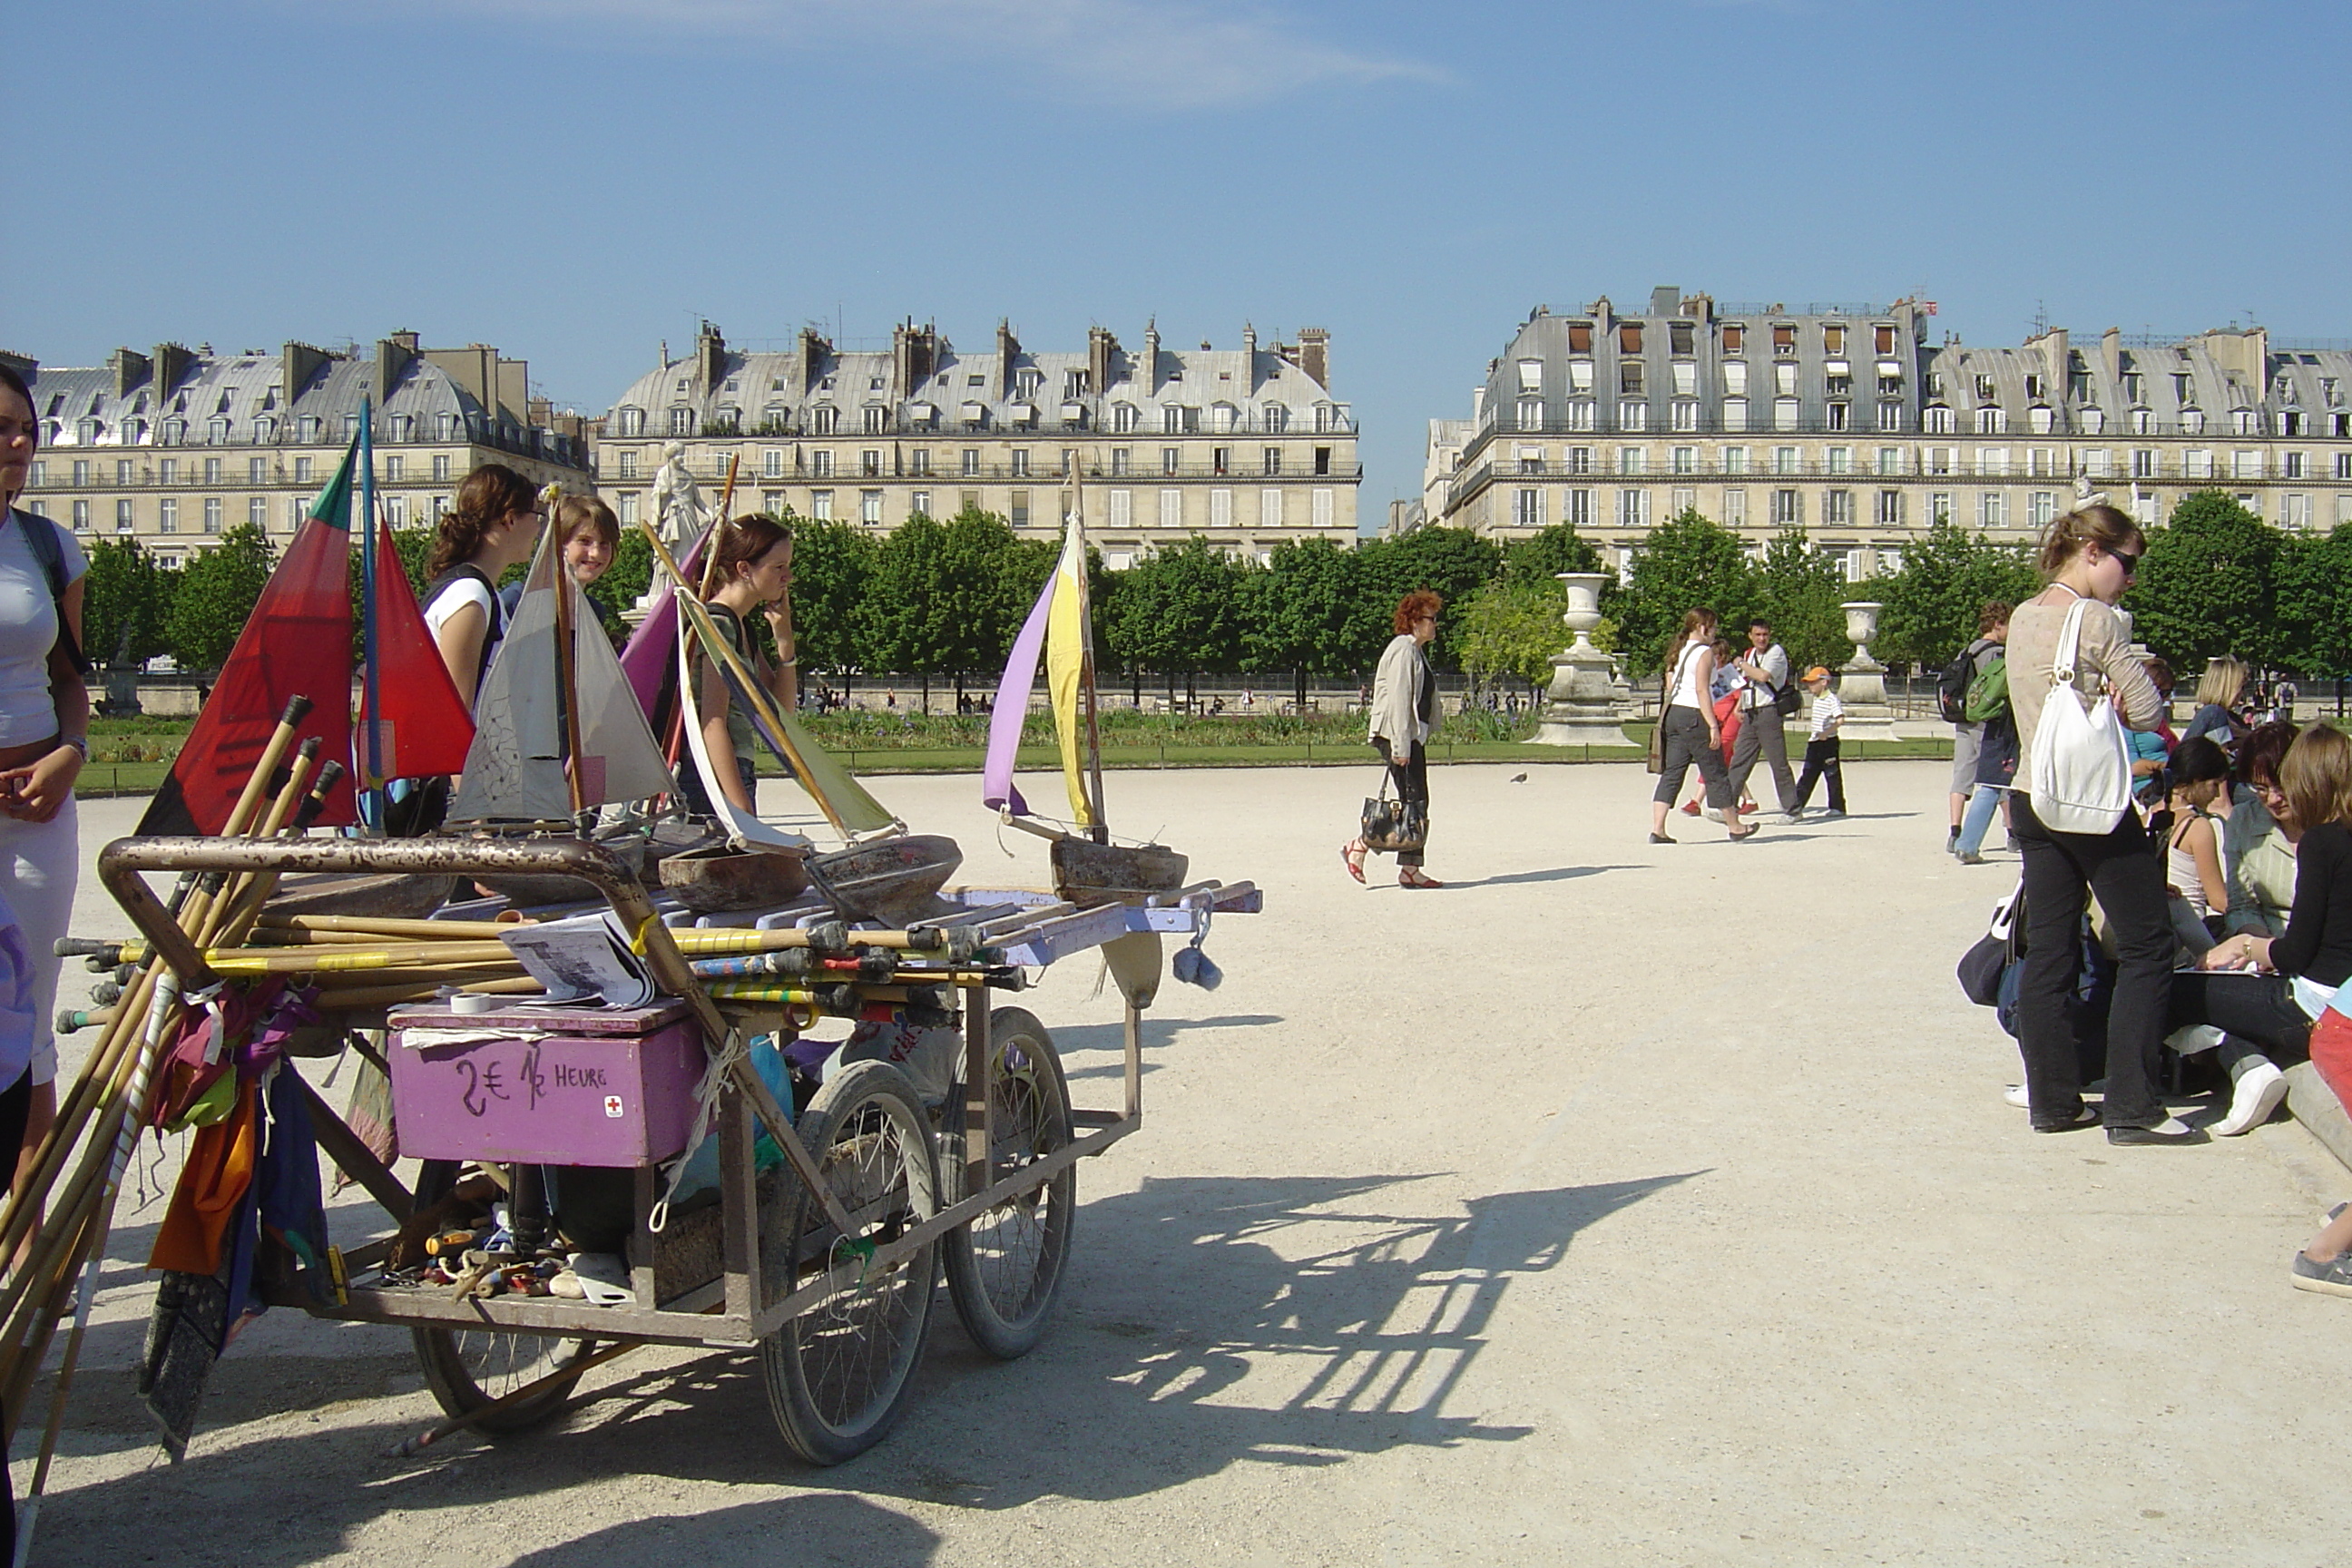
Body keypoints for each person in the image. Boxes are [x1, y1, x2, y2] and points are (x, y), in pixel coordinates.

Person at [2007, 503, 2190, 1143]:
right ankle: (2132, 1105)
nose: (2130, 578)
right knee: (2147, 943)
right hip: (2087, 802)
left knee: (2049, 951)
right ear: (2091, 551)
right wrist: (2125, 695)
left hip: (2033, 793)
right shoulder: (2098, 620)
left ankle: (2054, 1101)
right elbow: (2146, 712)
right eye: (2128, 562)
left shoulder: (2024, 617)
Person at [2191, 726, 2352, 1291]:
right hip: (2324, 993)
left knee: (2190, 993)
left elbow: (2299, 949)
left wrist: (2251, 948)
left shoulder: (2325, 842)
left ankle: (2324, 1253)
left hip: (2315, 998)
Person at [0, 364, 89, 1263]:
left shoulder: (49, 549)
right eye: (2, 427)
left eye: (27, 427)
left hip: (34, 811)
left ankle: (22, 1244)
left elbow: (72, 682)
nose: (20, 442)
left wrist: (70, 754)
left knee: (30, 1030)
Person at [689, 516, 798, 817]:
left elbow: (780, 712)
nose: (788, 576)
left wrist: (785, 644)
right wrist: (740, 809)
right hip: (714, 776)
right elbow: (712, 723)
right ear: (744, 569)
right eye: (778, 567)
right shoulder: (719, 625)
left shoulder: (739, 624)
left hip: (734, 770)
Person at [422, 465, 544, 711]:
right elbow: (456, 710)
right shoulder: (470, 595)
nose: (538, 526)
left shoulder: (481, 593)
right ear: (510, 519)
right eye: (535, 515)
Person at [1342, 591, 1444, 887]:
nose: (1435, 624)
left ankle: (1410, 868)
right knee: (1414, 802)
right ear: (1414, 621)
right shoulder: (1404, 650)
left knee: (1416, 802)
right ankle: (1359, 845)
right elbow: (1400, 701)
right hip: (1398, 735)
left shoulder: (1414, 649)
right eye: (1431, 619)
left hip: (1408, 736)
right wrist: (1401, 746)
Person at [1648, 609, 1752, 844]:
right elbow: (1702, 690)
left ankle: (1658, 829)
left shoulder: (1681, 650)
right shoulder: (1704, 653)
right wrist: (1713, 725)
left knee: (1672, 772)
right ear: (1702, 627)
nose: (1715, 632)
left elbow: (1671, 681)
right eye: (1713, 627)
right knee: (1715, 771)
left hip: (1674, 712)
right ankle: (1735, 826)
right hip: (1694, 714)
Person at [1945, 604, 2010, 852]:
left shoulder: (1967, 650)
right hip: (1986, 720)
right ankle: (2012, 833)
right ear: (1997, 625)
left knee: (1962, 775)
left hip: (1964, 718)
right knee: (1998, 776)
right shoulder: (1995, 654)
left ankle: (1954, 830)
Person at [2161, 735, 2232, 953]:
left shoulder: (2146, 817)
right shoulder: (2197, 826)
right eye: (2215, 784)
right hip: (2191, 937)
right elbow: (2219, 900)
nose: (2217, 793)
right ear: (2197, 780)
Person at [1788, 667, 1846, 816]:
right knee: (1808, 774)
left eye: (1813, 682)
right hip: (1815, 742)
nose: (1810, 686)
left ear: (1824, 682)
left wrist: (1826, 733)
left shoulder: (1831, 699)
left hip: (1828, 742)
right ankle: (1796, 805)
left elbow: (1840, 719)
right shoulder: (1817, 699)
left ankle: (1837, 807)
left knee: (1832, 775)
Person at [2126, 654, 2177, 806]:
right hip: (2149, 786)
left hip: (2170, 778)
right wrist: (2172, 767)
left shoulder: (2157, 720)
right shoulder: (2127, 721)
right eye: (2162, 693)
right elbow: (2133, 767)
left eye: (2168, 693)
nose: (2165, 699)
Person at [2182, 656, 2251, 753]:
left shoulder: (2229, 716)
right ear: (2228, 687)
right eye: (2241, 686)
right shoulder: (2215, 714)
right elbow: (2221, 759)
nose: (2242, 693)